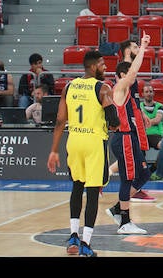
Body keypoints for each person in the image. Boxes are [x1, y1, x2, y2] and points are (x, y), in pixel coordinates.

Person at [47, 49, 117, 257]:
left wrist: (53, 151)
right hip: (94, 143)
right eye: (103, 64)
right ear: (93, 66)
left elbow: (60, 120)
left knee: (77, 186)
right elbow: (113, 124)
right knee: (93, 192)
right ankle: (86, 243)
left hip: (74, 141)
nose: (106, 67)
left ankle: (73, 236)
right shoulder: (103, 88)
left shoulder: (69, 86)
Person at [105, 33, 153, 235]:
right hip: (123, 137)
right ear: (123, 76)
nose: (133, 77)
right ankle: (124, 221)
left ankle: (117, 209)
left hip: (129, 136)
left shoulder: (123, 91)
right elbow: (133, 71)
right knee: (127, 179)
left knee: (143, 173)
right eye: (130, 74)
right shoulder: (119, 87)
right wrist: (142, 47)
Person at [139, 84, 163, 150]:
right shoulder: (138, 106)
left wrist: (144, 123)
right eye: (146, 92)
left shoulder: (160, 106)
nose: (149, 94)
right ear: (142, 94)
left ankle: (160, 161)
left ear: (153, 93)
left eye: (150, 91)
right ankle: (142, 160)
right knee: (135, 146)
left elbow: (157, 120)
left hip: (156, 134)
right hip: (142, 135)